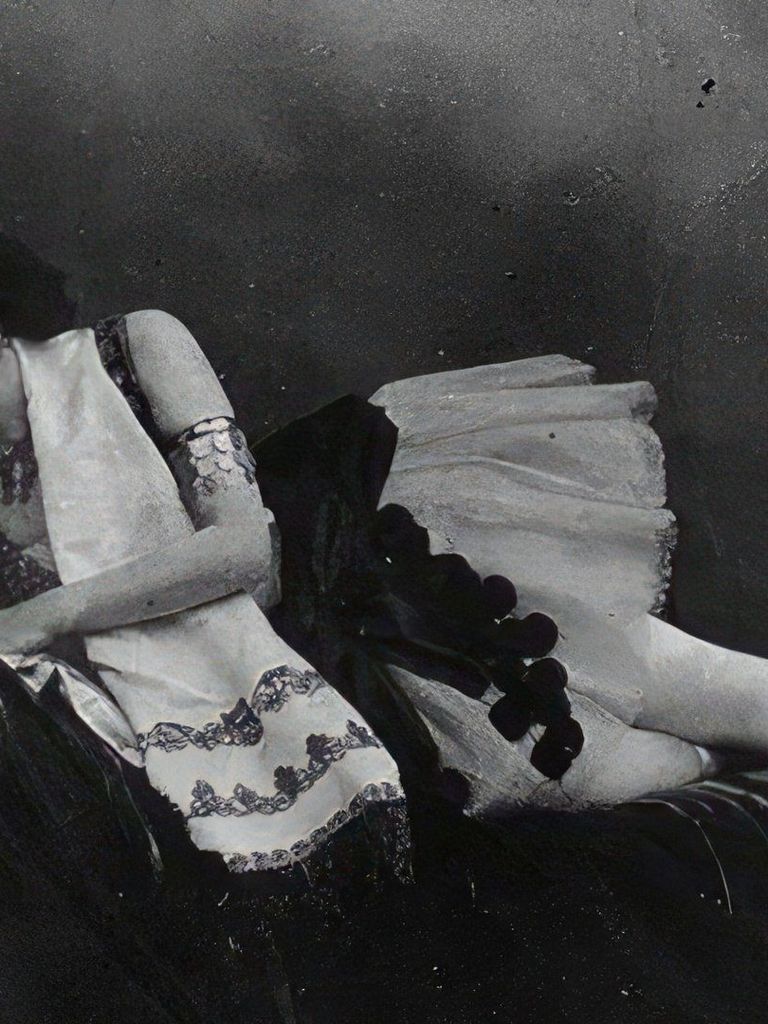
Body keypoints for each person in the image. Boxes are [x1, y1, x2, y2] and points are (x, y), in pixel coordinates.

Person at [1, 309, 767, 874]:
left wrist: (46, 613)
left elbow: (244, 550)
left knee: (722, 698)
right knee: (639, 773)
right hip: (256, 691)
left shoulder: (130, 348)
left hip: (363, 570)